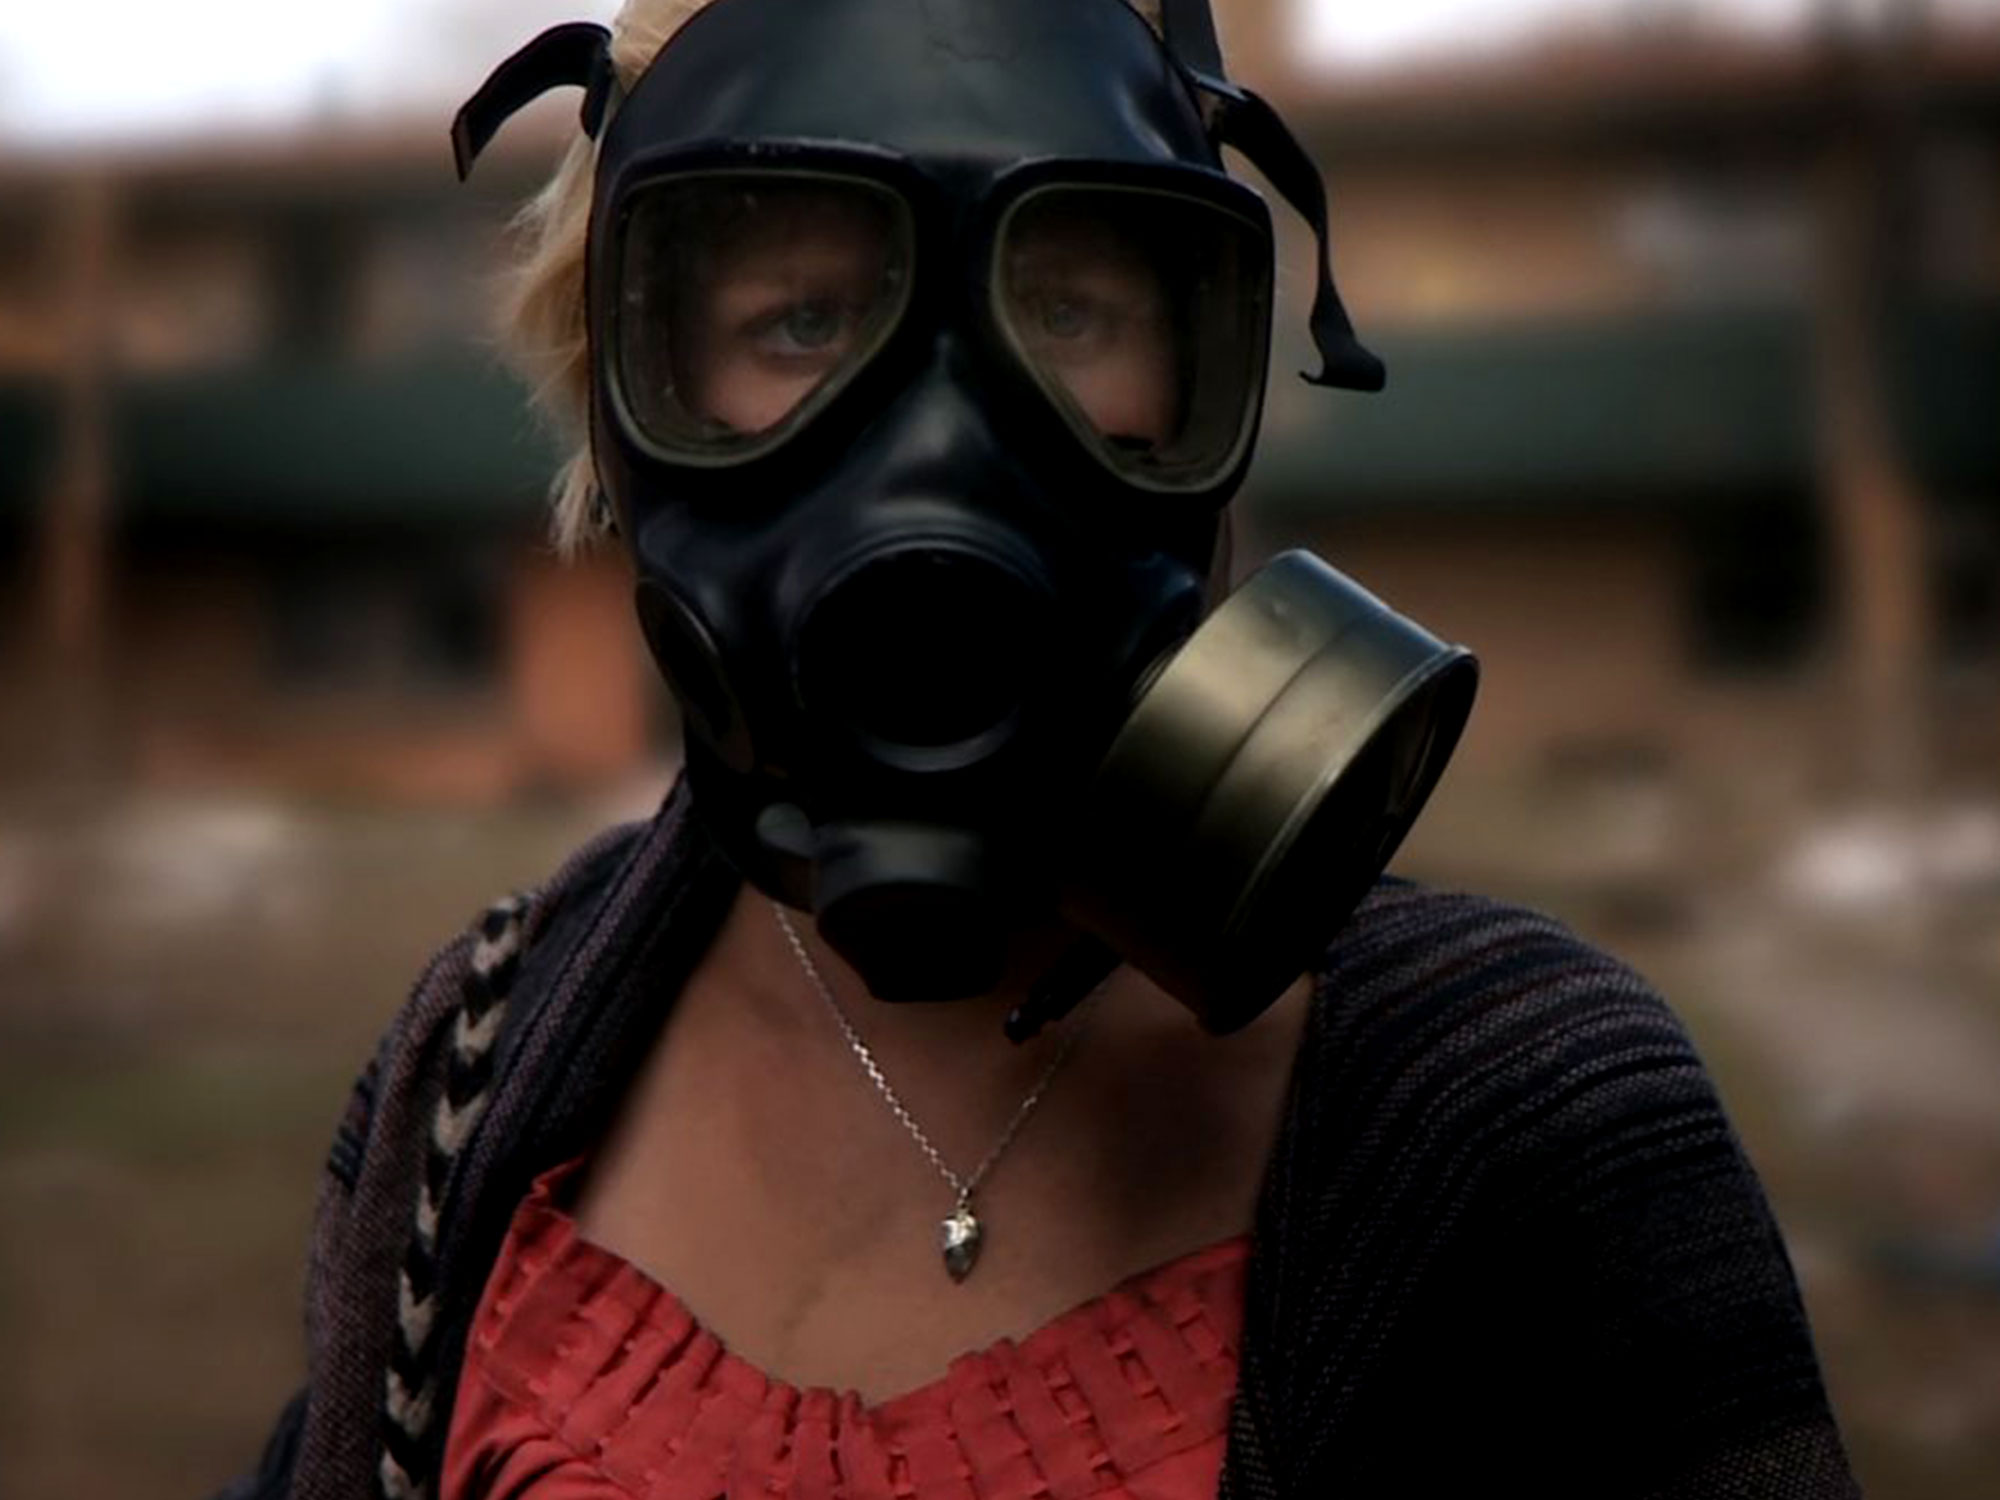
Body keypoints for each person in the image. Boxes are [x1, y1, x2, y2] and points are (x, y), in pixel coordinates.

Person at [221, 2, 1862, 1497]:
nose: (941, 437)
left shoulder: (1530, 1122)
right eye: (800, 318)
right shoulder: (475, 1058)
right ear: (627, 394)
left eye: (1066, 307)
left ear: (1205, 381)